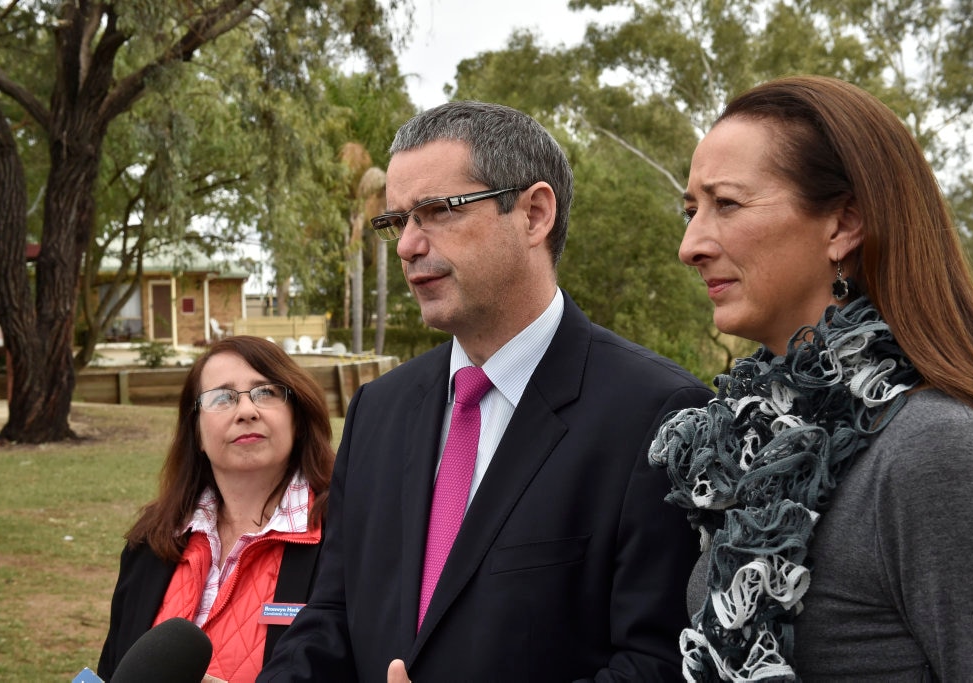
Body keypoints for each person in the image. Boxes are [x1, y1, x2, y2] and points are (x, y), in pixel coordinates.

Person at [258, 101, 713, 682]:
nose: (406, 245)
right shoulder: (379, 409)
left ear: (534, 214)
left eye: (437, 211)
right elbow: (331, 618)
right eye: (398, 221)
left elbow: (657, 663)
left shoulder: (659, 416)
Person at [651, 74, 973, 680]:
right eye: (692, 210)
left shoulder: (933, 450)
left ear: (843, 225)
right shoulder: (752, 451)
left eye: (726, 203)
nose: (689, 244)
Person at [98, 335, 335, 683]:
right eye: (222, 398)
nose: (246, 411)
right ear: (196, 432)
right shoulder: (151, 540)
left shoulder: (345, 537)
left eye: (266, 392)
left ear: (297, 418)